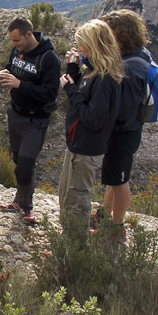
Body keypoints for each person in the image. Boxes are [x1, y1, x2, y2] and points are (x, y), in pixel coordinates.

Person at [58, 20, 124, 233]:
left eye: (83, 46)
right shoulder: (94, 71)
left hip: (86, 148)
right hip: (77, 145)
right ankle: (68, 247)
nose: (80, 50)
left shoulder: (104, 78)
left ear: (95, 46)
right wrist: (73, 69)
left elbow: (93, 118)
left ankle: (76, 254)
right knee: (66, 196)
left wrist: (70, 90)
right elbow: (84, 95)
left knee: (76, 201)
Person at [0, 17, 61, 223]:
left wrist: (19, 84)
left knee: (26, 164)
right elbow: (12, 66)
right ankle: (19, 200)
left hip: (36, 120)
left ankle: (27, 206)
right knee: (18, 161)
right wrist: (6, 74)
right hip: (16, 114)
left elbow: (50, 93)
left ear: (29, 34)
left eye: (17, 40)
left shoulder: (49, 59)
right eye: (12, 42)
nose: (14, 45)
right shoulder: (17, 50)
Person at [98, 10, 153, 240]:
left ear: (121, 35)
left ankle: (117, 227)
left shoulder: (131, 67)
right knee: (114, 176)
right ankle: (104, 213)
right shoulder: (139, 55)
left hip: (124, 133)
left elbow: (125, 112)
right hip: (123, 133)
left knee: (120, 180)